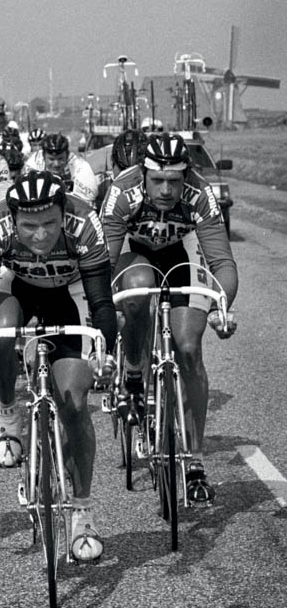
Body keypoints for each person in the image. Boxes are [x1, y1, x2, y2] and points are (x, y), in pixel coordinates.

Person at [0, 170, 117, 561]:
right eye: (29, 226)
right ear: (13, 220)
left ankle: (81, 510)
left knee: (75, 404)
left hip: (72, 292)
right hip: (17, 287)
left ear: (63, 215)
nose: (40, 234)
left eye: (50, 223)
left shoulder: (84, 222)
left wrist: (104, 351)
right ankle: (10, 414)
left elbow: (100, 304)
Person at [101, 132, 238, 503]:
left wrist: (220, 308)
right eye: (157, 181)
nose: (165, 190)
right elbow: (104, 262)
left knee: (190, 348)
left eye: (174, 182)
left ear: (185, 176)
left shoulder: (200, 194)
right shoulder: (122, 191)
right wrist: (105, 307)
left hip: (179, 259)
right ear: (142, 174)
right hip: (135, 256)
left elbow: (222, 262)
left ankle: (194, 460)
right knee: (138, 289)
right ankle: (133, 374)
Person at [25, 132, 98, 206]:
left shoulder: (80, 166)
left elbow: (86, 204)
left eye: (60, 158)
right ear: (43, 157)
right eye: (51, 159)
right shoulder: (33, 162)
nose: (56, 164)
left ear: (67, 155)